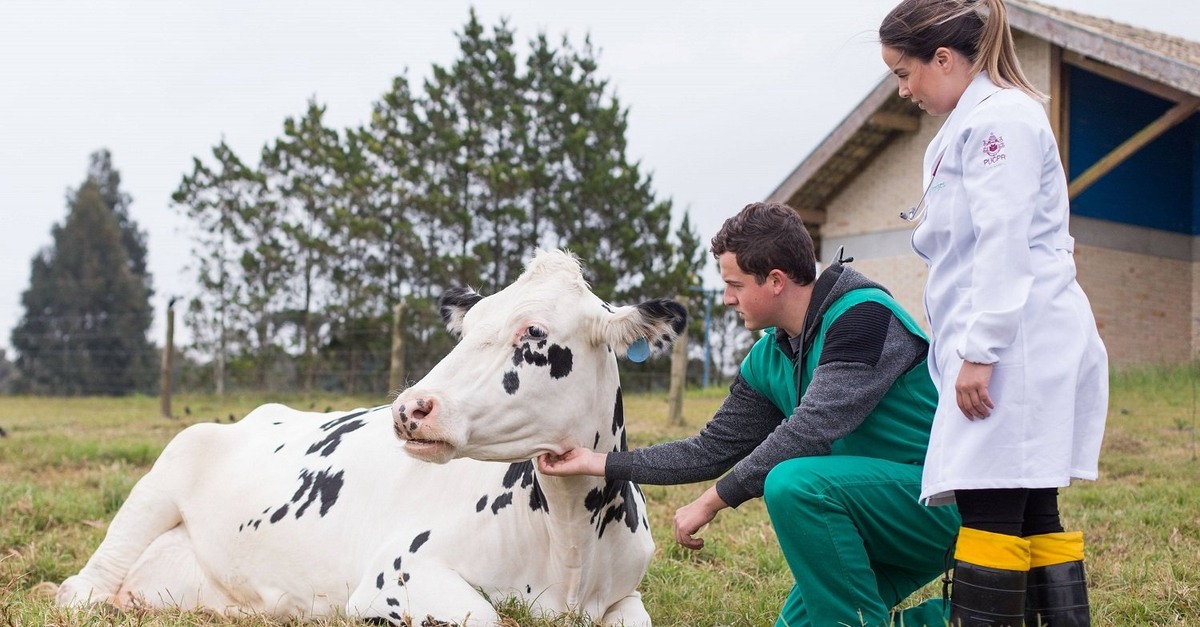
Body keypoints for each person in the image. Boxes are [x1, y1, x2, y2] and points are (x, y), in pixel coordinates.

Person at [538, 201, 961, 627]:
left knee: (794, 484)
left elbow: (810, 431)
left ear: (775, 281)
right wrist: (597, 462)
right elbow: (711, 449)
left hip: (934, 504)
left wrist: (712, 501)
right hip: (865, 517)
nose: (727, 298)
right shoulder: (769, 356)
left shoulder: (864, 316)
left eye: (734, 284)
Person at [879, 1, 1109, 625]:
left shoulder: (1000, 122)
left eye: (905, 72)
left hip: (1014, 349)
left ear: (944, 60)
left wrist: (981, 352)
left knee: (991, 507)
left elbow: (1003, 240)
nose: (903, 90)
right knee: (1031, 506)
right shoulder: (974, 124)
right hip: (1014, 342)